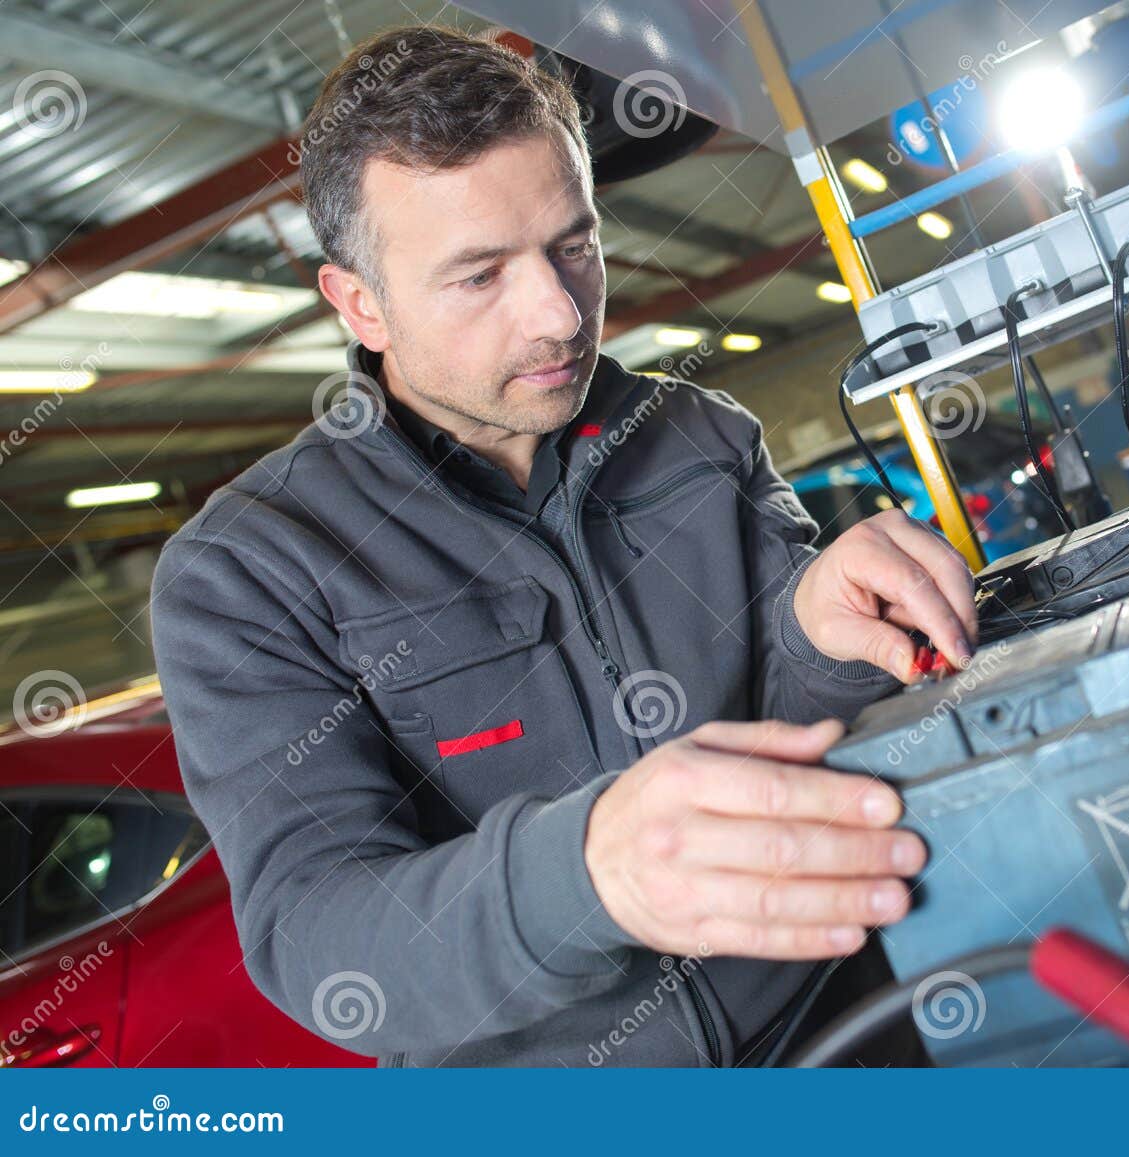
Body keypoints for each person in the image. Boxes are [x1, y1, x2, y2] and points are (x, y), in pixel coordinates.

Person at [149, 25, 977, 1067]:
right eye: (480, 275)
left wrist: (819, 636)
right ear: (361, 304)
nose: (557, 314)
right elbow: (319, 938)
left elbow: (802, 731)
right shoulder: (250, 573)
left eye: (572, 246)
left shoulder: (699, 438)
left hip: (849, 1033)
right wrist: (586, 872)